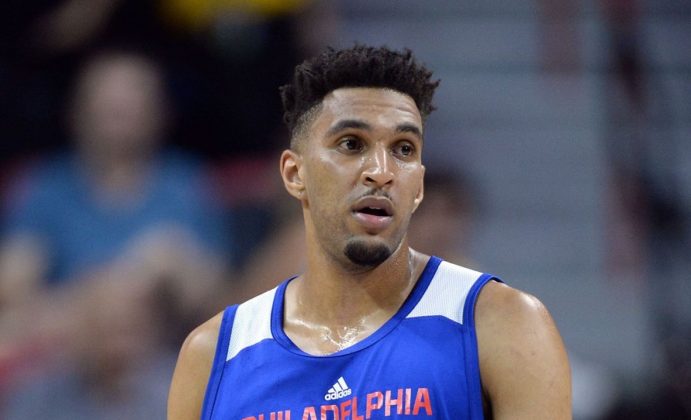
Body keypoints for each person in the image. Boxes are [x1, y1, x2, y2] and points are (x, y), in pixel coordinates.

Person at [168, 45, 572, 419]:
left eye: (403, 149)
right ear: (294, 174)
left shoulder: (501, 323)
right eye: (351, 144)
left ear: (419, 185)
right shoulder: (213, 355)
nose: (381, 171)